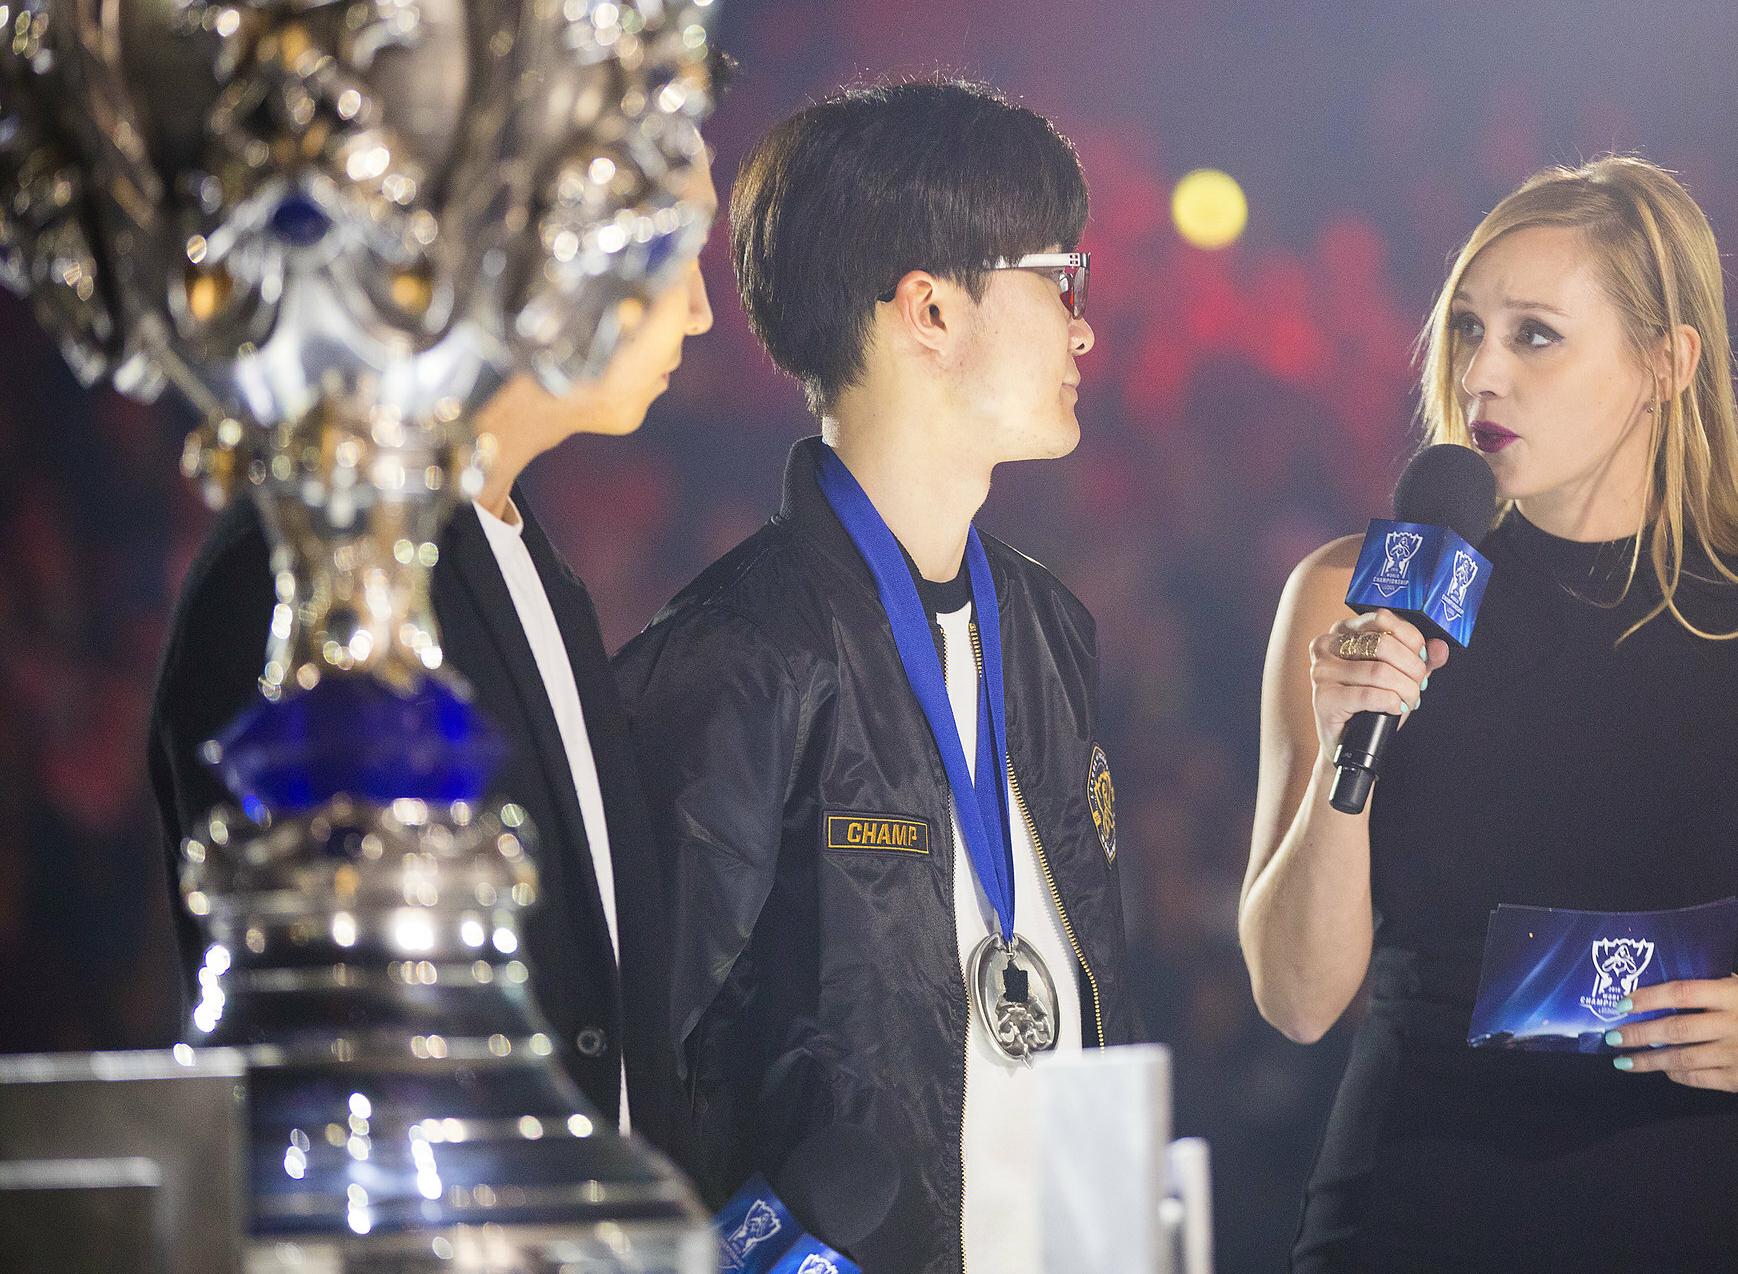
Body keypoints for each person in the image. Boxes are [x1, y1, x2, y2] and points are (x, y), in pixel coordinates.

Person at [1239, 156, 1738, 1271]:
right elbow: (1297, 1000)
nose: (1479, 373)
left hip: (1678, 1213)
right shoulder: (1350, 594)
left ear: (1665, 361)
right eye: (1464, 329)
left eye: (1533, 334)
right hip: (1406, 1211)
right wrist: (1340, 750)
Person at [612, 78, 1138, 1274]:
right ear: (930, 311)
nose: (1081, 325)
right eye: (1059, 277)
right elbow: (640, 1065)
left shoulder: (1051, 627)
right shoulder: (735, 658)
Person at [148, 186, 718, 1150]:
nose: (702, 308)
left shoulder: (535, 562)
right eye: (677, 244)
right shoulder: (310, 583)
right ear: (539, 237)